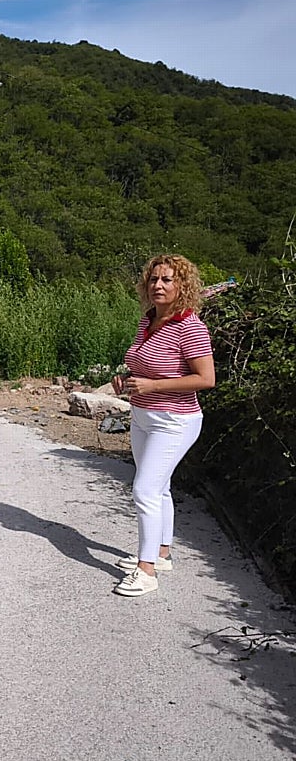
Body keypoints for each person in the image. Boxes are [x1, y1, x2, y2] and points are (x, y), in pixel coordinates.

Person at [110, 254, 215, 597]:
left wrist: (154, 387)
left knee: (144, 490)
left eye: (167, 280)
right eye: (154, 279)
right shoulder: (149, 320)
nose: (158, 285)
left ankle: (147, 571)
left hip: (175, 421)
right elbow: (148, 365)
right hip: (143, 415)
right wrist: (126, 379)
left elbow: (205, 379)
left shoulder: (190, 326)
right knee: (160, 487)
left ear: (182, 285)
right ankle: (162, 553)